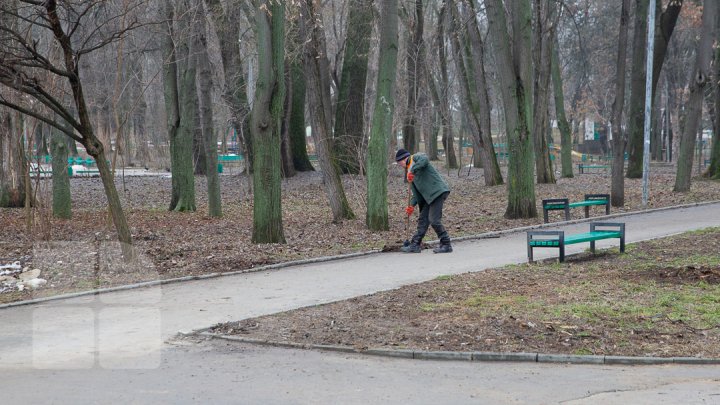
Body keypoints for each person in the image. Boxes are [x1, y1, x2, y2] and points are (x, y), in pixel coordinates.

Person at [395, 148, 452, 253]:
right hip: (427, 197)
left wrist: (413, 170)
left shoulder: (415, 158)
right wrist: (412, 205)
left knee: (434, 220)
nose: (400, 165)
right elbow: (416, 192)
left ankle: (446, 244)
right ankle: (415, 244)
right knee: (423, 220)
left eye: (399, 163)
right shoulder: (409, 172)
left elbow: (425, 160)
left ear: (403, 159)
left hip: (437, 192)